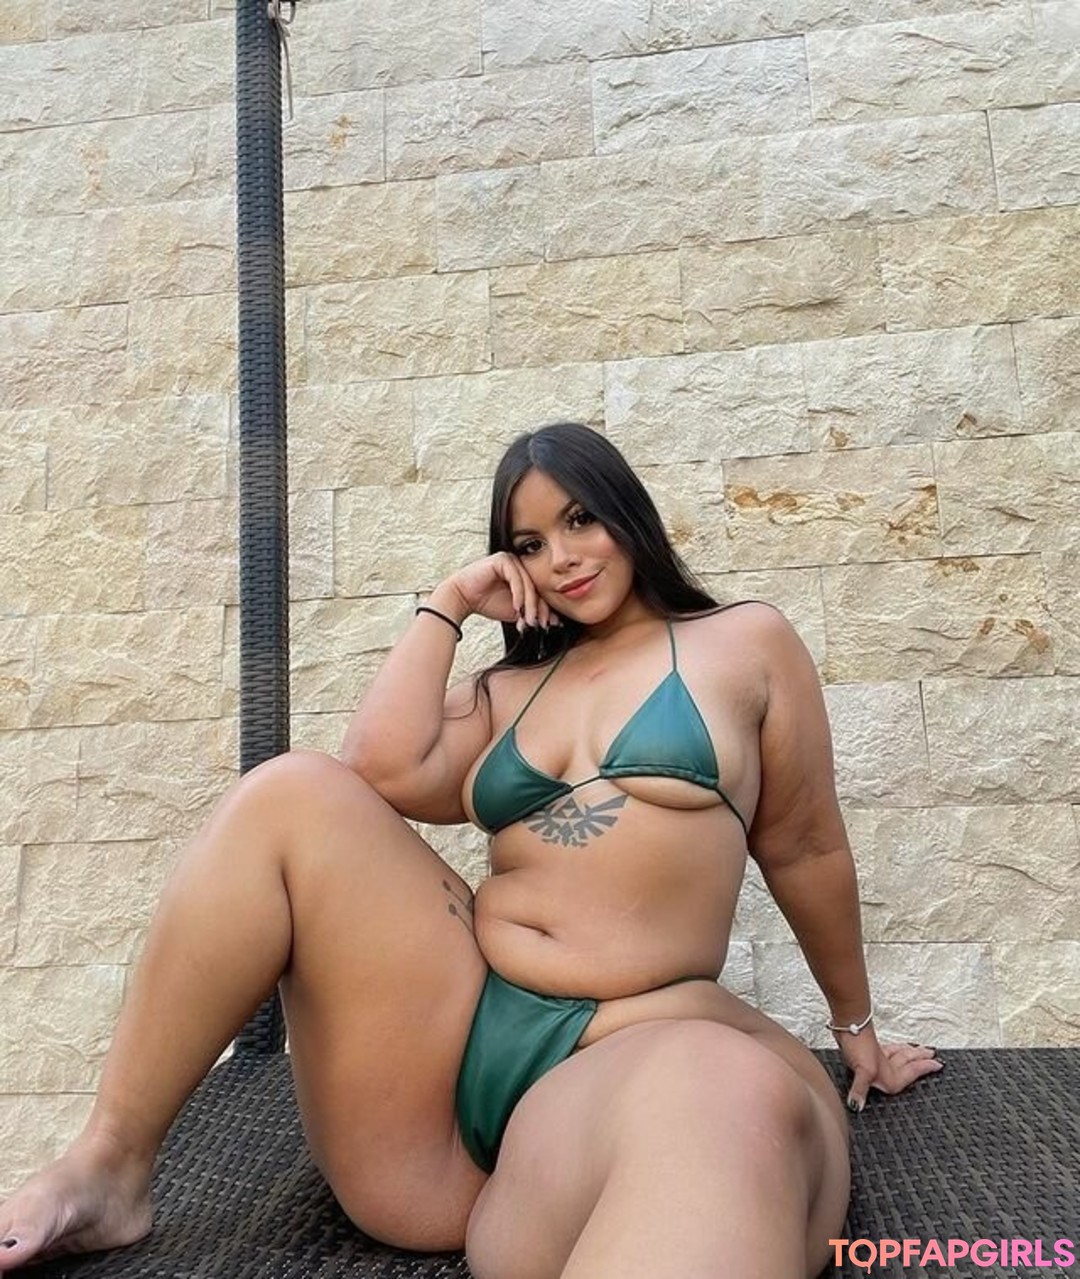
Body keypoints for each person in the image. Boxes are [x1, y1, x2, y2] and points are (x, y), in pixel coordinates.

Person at [0, 422, 941, 1278]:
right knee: (289, 793)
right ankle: (110, 1165)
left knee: (723, 1100)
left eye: (579, 519)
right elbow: (378, 767)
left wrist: (856, 1028)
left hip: (636, 1041)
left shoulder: (744, 643)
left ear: (627, 514)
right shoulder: (505, 690)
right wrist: (449, 604)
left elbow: (805, 846)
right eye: (529, 543)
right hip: (453, 1053)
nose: (561, 558)